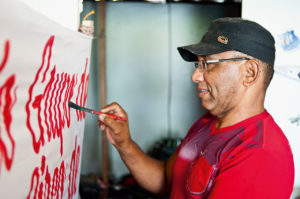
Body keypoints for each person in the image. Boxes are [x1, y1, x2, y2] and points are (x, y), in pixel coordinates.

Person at [97, 17, 295, 199]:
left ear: (250, 72)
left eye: (208, 64)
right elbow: (166, 181)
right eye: (197, 65)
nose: (196, 76)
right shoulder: (207, 123)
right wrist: (124, 143)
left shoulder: (260, 154)